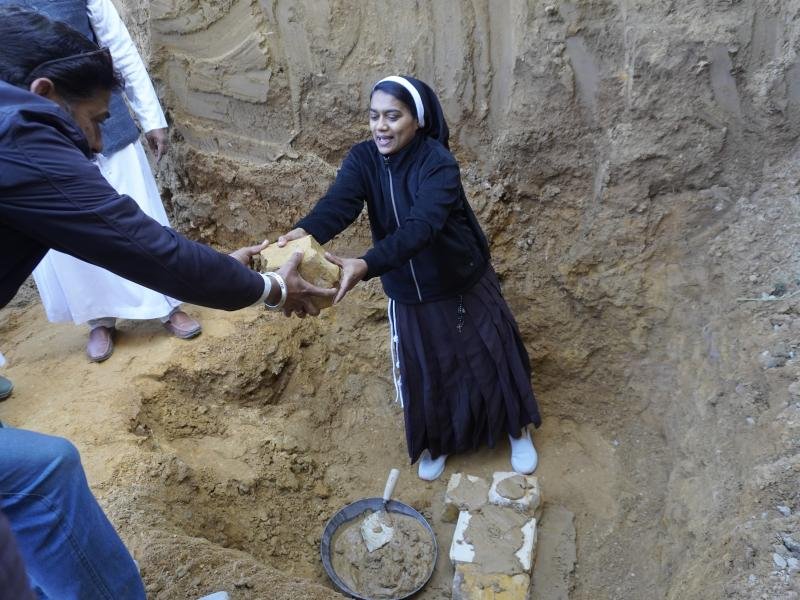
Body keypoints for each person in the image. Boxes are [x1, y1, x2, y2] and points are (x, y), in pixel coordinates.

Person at [0, 7, 335, 598]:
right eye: (94, 120)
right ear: (44, 92)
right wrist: (273, 289)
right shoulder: (20, 135)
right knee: (41, 473)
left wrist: (219, 268)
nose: (97, 142)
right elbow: (143, 248)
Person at [278, 75, 542, 481]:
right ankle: (441, 439)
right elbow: (339, 204)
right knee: (431, 368)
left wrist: (366, 264)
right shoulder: (363, 159)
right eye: (374, 116)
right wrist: (304, 231)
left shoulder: (438, 163)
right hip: (408, 293)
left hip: (458, 285)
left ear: (417, 120)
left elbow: (422, 227)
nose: (380, 126)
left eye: (392, 116)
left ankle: (514, 427)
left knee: (484, 354)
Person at [0, 0, 203, 362]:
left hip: (98, 116)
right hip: (37, 148)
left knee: (137, 216)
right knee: (67, 239)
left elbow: (117, 47)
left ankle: (167, 305)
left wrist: (150, 115)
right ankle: (100, 318)